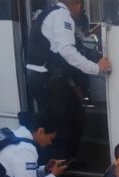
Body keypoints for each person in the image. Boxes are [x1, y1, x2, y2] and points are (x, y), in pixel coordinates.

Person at [25, 0, 111, 160]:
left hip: (46, 79)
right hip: (47, 81)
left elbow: (58, 58)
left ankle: (66, 160)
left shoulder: (49, 13)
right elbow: (67, 52)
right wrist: (96, 67)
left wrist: (73, 85)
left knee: (77, 116)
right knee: (61, 124)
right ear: (78, 5)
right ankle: (57, 165)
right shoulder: (62, 16)